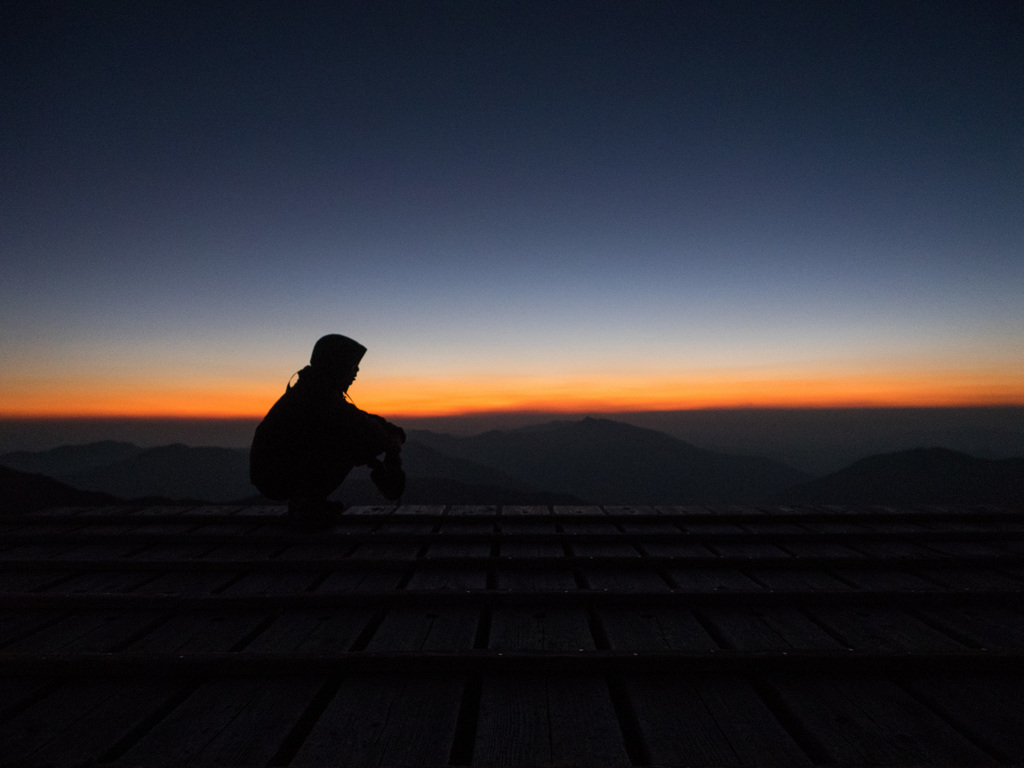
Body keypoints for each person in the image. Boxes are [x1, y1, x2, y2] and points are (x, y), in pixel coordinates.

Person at [249, 334, 406, 527]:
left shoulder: (311, 389)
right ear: (336, 366)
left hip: (271, 474)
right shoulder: (321, 398)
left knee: (349, 438)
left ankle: (308, 504)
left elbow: (360, 417)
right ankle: (308, 507)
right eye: (352, 365)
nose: (356, 371)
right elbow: (368, 432)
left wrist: (391, 432)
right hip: (276, 477)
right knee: (348, 442)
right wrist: (392, 440)